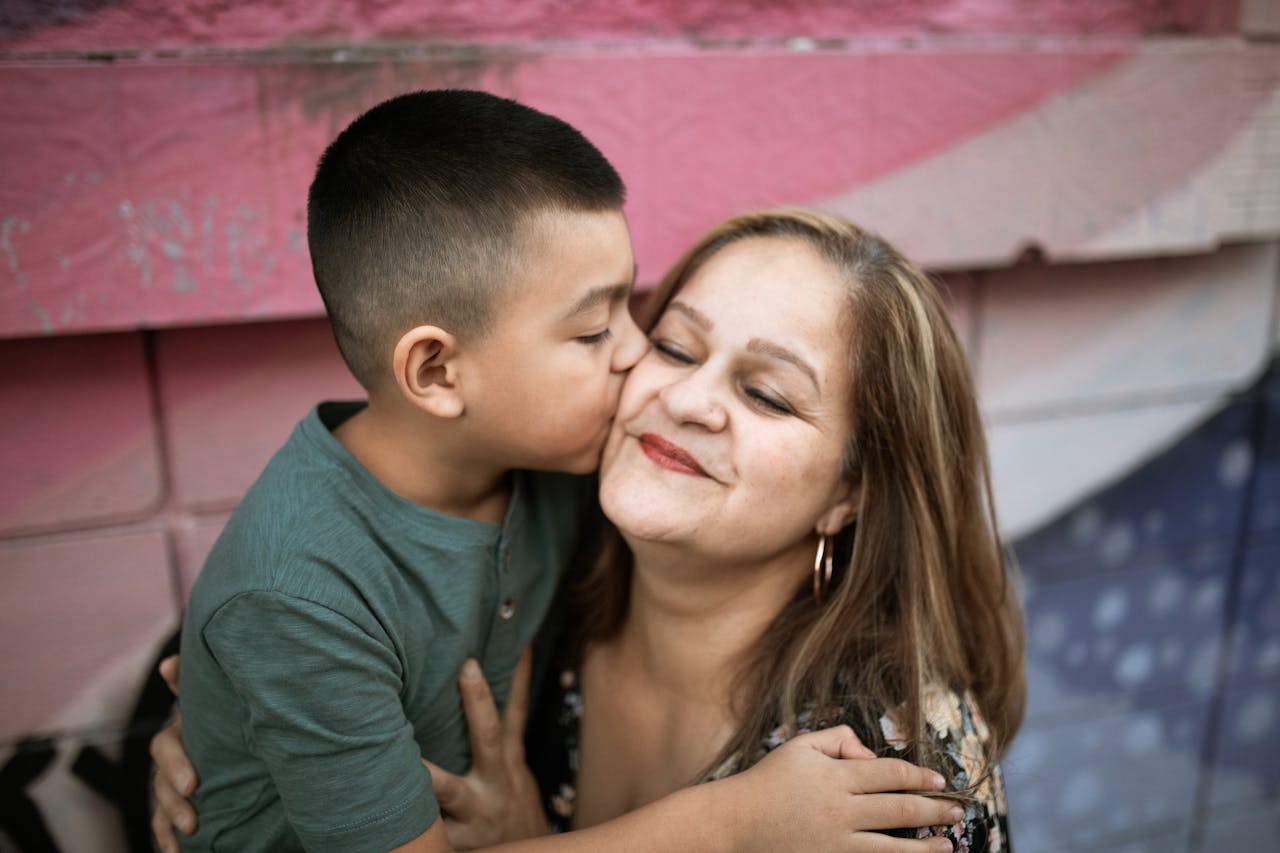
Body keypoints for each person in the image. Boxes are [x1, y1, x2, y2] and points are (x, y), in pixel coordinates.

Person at [169, 84, 964, 853]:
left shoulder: (554, 476)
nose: (644, 366)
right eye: (665, 342)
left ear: (853, 491)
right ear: (440, 373)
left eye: (766, 393)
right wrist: (730, 824)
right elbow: (287, 622)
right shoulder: (303, 595)